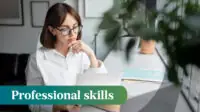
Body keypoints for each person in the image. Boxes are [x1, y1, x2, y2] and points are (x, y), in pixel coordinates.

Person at [25, 3, 120, 112]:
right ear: (52, 30)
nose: (72, 34)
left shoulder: (81, 53)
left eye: (75, 27)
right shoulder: (36, 59)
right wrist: (59, 106)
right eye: (65, 29)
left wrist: (91, 54)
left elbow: (100, 86)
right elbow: (33, 103)